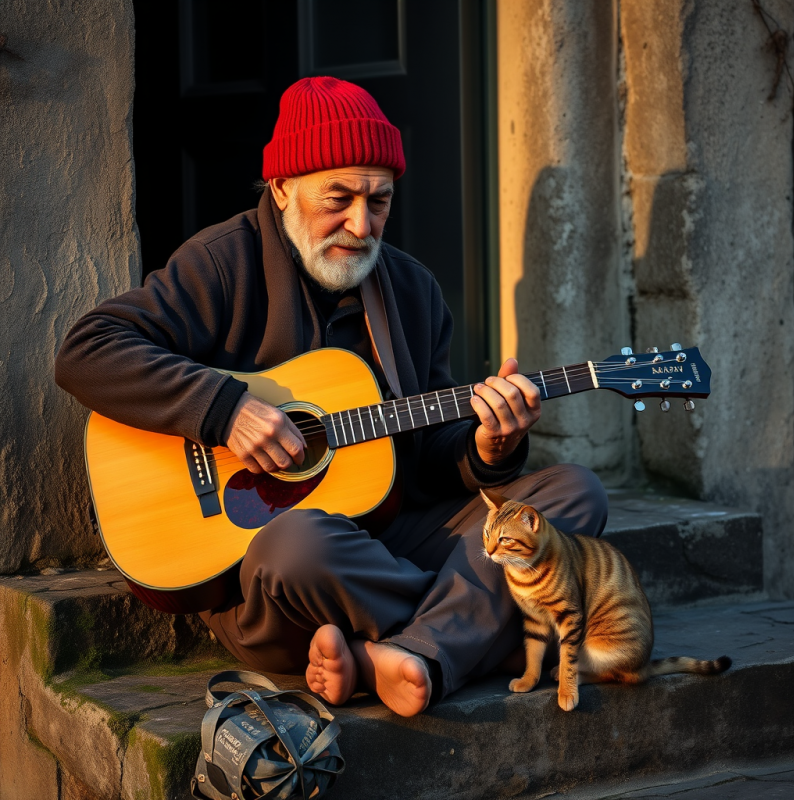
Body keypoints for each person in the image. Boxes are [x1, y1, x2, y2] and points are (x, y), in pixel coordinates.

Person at [55, 76, 607, 717]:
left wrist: (488, 447)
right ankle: (478, 632)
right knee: (296, 542)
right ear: (283, 187)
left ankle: (405, 656)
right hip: (274, 578)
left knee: (573, 493)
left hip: (389, 535)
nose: (360, 223)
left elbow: (425, 460)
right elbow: (87, 349)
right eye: (338, 197)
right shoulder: (222, 263)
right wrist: (224, 410)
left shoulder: (412, 292)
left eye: (379, 202)